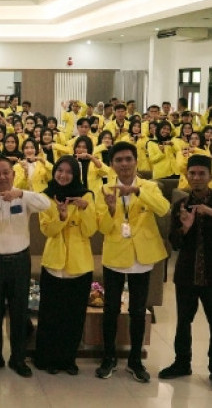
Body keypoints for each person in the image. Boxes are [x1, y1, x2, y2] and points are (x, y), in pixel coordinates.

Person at [95, 141, 170, 382]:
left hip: (143, 255)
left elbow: (163, 209)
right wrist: (110, 210)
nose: (124, 164)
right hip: (115, 254)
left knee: (139, 310)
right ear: (112, 164)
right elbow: (103, 228)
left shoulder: (149, 186)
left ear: (136, 161)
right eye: (119, 160)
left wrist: (138, 192)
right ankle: (109, 358)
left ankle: (135, 360)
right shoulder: (104, 190)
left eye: (128, 159)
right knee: (111, 309)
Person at [0, 155, 50, 378]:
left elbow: (46, 204)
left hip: (19, 261)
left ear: (13, 174)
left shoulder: (23, 197)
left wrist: (22, 193)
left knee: (19, 313)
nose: (1, 177)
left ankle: (18, 359)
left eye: (5, 172)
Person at [34, 156, 96, 375]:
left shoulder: (87, 195)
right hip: (53, 263)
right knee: (51, 315)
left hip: (79, 264)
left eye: (69, 172)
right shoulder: (45, 197)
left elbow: (90, 231)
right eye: (60, 170)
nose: (63, 175)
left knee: (74, 316)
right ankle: (47, 358)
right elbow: (46, 231)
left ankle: (68, 359)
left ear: (76, 175)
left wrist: (86, 209)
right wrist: (61, 216)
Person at [159, 154, 212, 381]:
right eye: (192, 173)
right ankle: (182, 363)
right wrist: (186, 228)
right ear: (186, 175)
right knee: (183, 322)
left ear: (210, 176)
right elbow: (175, 242)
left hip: (211, 274)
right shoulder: (181, 204)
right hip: (186, 274)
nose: (196, 178)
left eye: (201, 173)